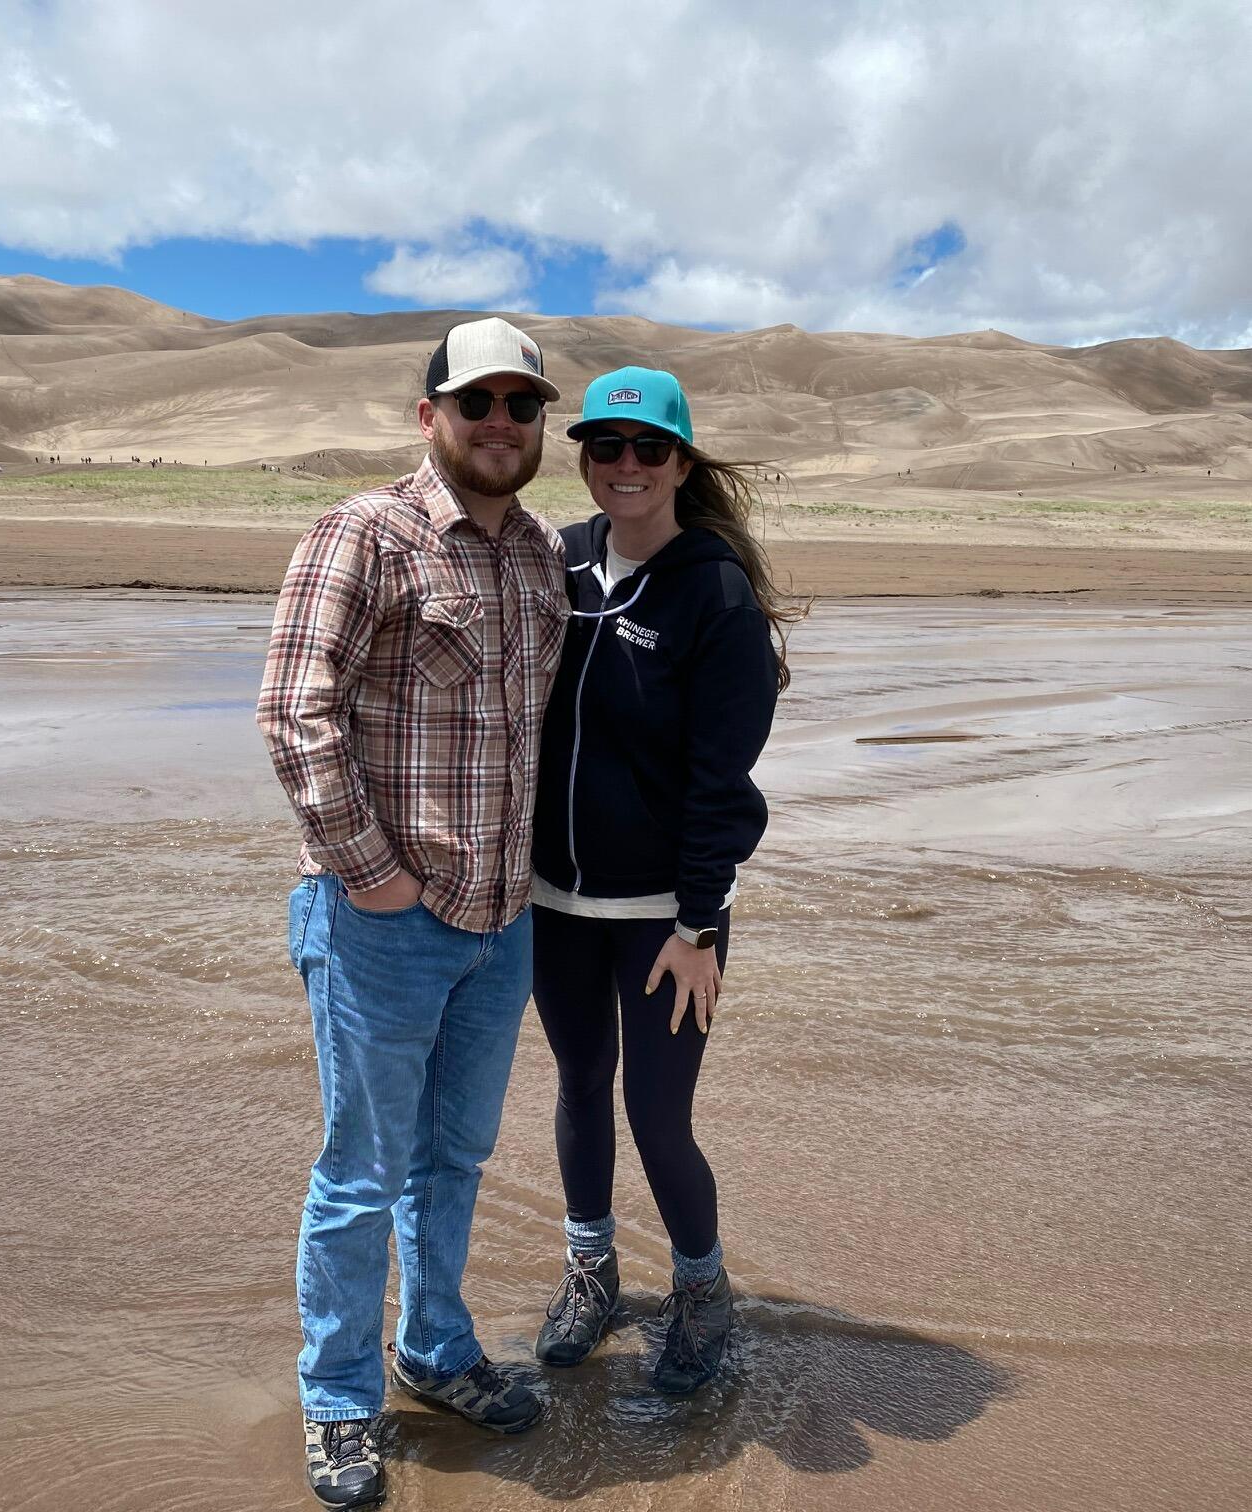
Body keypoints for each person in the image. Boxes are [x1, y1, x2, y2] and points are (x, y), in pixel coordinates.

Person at [257, 316, 569, 1510]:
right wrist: (369, 873)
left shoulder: (540, 555)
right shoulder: (363, 535)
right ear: (427, 414)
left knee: (455, 1157)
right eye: (477, 401)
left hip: (502, 926)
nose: (501, 423)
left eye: (522, 405)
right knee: (359, 1168)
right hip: (379, 924)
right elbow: (295, 712)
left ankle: (434, 1352)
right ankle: (339, 1400)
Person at [528, 366, 797, 1395]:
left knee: (657, 1113)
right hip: (555, 903)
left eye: (648, 449)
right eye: (606, 448)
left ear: (682, 460)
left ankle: (701, 1293)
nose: (626, 467)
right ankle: (590, 1276)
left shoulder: (713, 591)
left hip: (664, 920)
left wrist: (697, 922)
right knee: (577, 1084)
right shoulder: (559, 564)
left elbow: (721, 785)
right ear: (586, 459)